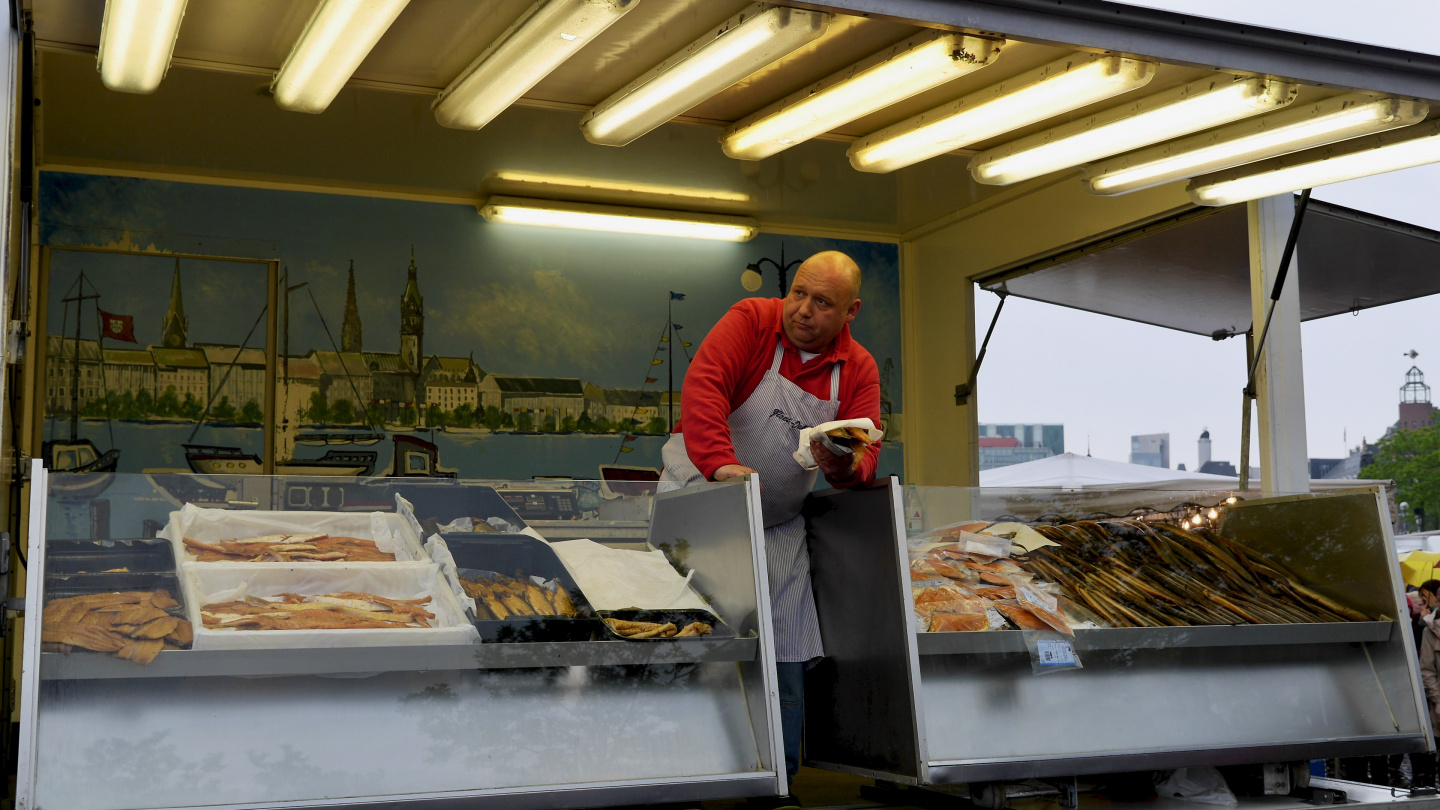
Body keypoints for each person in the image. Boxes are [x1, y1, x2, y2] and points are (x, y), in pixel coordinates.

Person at [660, 250, 881, 806]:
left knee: (783, 643)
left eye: (822, 302)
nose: (803, 310)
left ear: (850, 311)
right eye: (798, 293)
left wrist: (842, 464)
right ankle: (677, 771)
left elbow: (866, 454)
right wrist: (720, 464)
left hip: (780, 522)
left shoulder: (857, 369)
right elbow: (704, 388)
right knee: (690, 630)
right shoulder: (752, 322)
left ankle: (776, 781)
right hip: (701, 502)